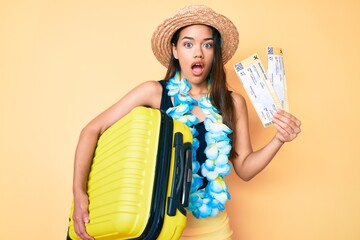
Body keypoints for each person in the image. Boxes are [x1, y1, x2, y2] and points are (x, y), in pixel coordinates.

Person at [70, 5, 301, 240]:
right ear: (175, 51)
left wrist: (279, 139)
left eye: (207, 44)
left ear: (215, 52)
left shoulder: (233, 103)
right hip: (158, 223)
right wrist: (79, 192)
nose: (198, 53)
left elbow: (245, 169)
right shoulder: (153, 92)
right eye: (188, 44)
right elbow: (92, 130)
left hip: (213, 228)